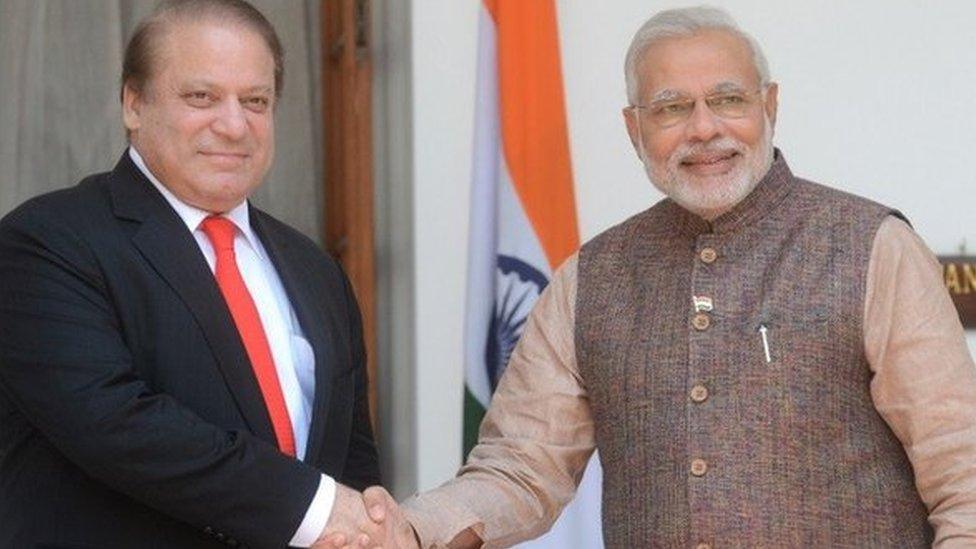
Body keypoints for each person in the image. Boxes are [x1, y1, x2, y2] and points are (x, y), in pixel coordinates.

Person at [350, 6, 976, 548]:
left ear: (770, 105)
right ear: (634, 128)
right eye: (672, 108)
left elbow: (963, 471)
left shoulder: (873, 249)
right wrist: (412, 527)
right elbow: (521, 467)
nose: (704, 129)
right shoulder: (592, 279)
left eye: (728, 99)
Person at [0, 1, 385, 547]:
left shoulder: (316, 270)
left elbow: (351, 459)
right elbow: (117, 425)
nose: (234, 125)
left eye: (255, 101)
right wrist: (320, 509)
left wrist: (367, 525)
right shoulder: (45, 242)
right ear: (134, 104)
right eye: (201, 97)